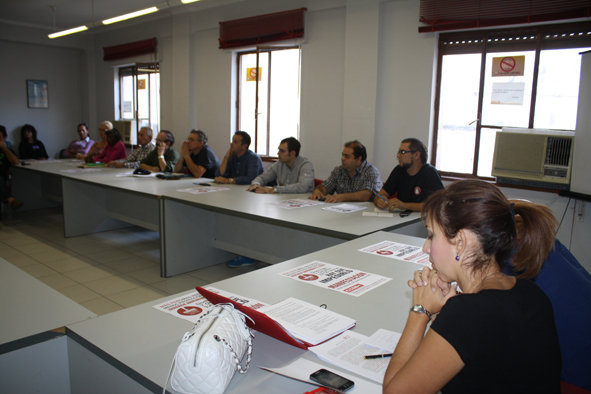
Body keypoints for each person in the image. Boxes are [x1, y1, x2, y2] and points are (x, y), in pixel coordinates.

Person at [383, 180, 561, 394]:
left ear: (460, 242)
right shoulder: (532, 293)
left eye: (431, 235)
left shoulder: (466, 314)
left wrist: (420, 310)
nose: (425, 248)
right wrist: (448, 310)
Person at [374, 138, 443, 212]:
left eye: (402, 152)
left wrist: (404, 205)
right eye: (398, 152)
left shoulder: (430, 173)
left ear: (416, 155)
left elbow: (438, 205)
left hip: (422, 220)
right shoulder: (399, 170)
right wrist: (380, 200)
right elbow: (380, 195)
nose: (398, 155)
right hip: (401, 218)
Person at [309, 140, 381, 202]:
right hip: (343, 211)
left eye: (347, 156)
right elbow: (325, 186)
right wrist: (318, 191)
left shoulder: (371, 171)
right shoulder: (339, 170)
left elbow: (366, 195)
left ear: (359, 158)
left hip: (366, 212)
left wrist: (342, 197)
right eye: (342, 155)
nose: (342, 159)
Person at [247, 137, 314, 194]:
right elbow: (262, 178)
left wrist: (275, 190)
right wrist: (256, 184)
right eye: (279, 150)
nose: (278, 153)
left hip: (302, 203)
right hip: (283, 201)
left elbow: (303, 187)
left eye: (282, 151)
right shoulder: (279, 164)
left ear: (292, 153)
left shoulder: (306, 165)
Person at [0, 125, 22, 209]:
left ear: (4, 138)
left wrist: (4, 148)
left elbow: (16, 162)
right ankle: (11, 200)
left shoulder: (6, 148)